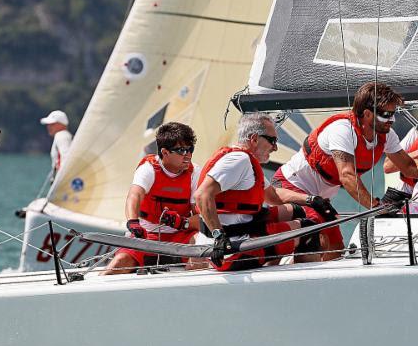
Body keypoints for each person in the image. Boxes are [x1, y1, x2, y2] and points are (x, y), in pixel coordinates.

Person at [273, 82, 418, 259]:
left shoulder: (387, 135)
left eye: (393, 114)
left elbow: (410, 168)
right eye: (386, 114)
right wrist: (376, 207)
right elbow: (347, 175)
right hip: (292, 185)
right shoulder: (343, 130)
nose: (391, 120)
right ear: (367, 113)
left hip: (319, 199)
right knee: (313, 238)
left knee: (335, 249)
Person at [194, 113, 322, 271]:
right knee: (308, 229)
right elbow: (202, 195)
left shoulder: (245, 161)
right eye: (272, 141)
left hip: (238, 235)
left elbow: (273, 196)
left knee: (297, 211)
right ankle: (304, 285)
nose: (275, 148)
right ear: (254, 139)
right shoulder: (238, 161)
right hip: (230, 251)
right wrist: (218, 236)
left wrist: (311, 199)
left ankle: (273, 268)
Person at [102, 122, 200, 275]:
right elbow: (134, 196)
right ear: (165, 152)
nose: (188, 155)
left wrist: (183, 222)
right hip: (146, 235)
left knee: (202, 256)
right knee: (119, 263)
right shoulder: (148, 169)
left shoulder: (195, 173)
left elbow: (201, 219)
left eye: (190, 149)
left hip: (181, 236)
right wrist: (133, 222)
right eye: (181, 150)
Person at [40, 110, 73, 179]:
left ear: (61, 124)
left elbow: (66, 158)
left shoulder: (61, 136)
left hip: (64, 183)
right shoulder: (65, 136)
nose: (48, 127)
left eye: (52, 124)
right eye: (48, 124)